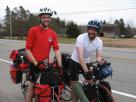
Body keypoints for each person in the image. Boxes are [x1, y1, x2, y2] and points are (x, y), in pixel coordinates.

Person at [25, 7, 62, 102]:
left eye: (48, 17)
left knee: (42, 90)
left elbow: (57, 50)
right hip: (34, 63)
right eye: (44, 17)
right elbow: (27, 50)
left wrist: (60, 64)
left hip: (45, 64)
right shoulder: (33, 30)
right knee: (31, 90)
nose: (46, 19)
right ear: (40, 18)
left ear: (50, 18)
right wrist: (35, 63)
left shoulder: (52, 33)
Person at [70, 20, 105, 102]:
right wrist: (86, 71)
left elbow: (98, 57)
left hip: (86, 61)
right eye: (90, 29)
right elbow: (80, 56)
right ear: (87, 30)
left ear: (98, 31)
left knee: (90, 81)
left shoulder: (99, 42)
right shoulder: (81, 38)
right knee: (74, 83)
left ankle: (85, 95)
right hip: (75, 60)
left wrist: (101, 61)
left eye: (95, 30)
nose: (92, 31)